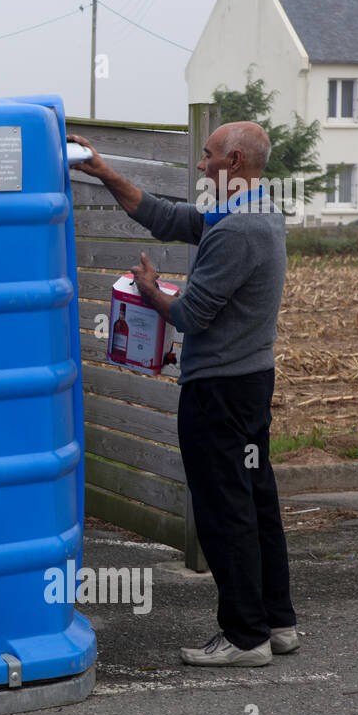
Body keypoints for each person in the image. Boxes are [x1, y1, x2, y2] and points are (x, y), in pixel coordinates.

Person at [68, 122, 298, 667]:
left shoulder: (239, 229)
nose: (200, 165)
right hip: (248, 383)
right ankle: (277, 621)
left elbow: (191, 315)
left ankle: (246, 637)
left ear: (234, 160)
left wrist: (150, 290)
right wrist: (103, 173)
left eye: (208, 155)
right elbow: (172, 218)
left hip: (219, 390)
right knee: (256, 501)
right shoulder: (253, 209)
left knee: (224, 511)